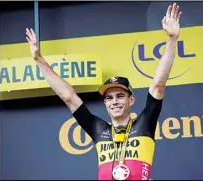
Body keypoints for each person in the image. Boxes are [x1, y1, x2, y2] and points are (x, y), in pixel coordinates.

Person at [26, 3, 182, 180]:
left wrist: (171, 39)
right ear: (105, 103)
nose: (114, 101)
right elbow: (68, 97)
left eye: (120, 96)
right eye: (109, 98)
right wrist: (39, 60)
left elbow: (158, 85)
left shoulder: (145, 124)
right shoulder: (98, 129)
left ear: (131, 100)